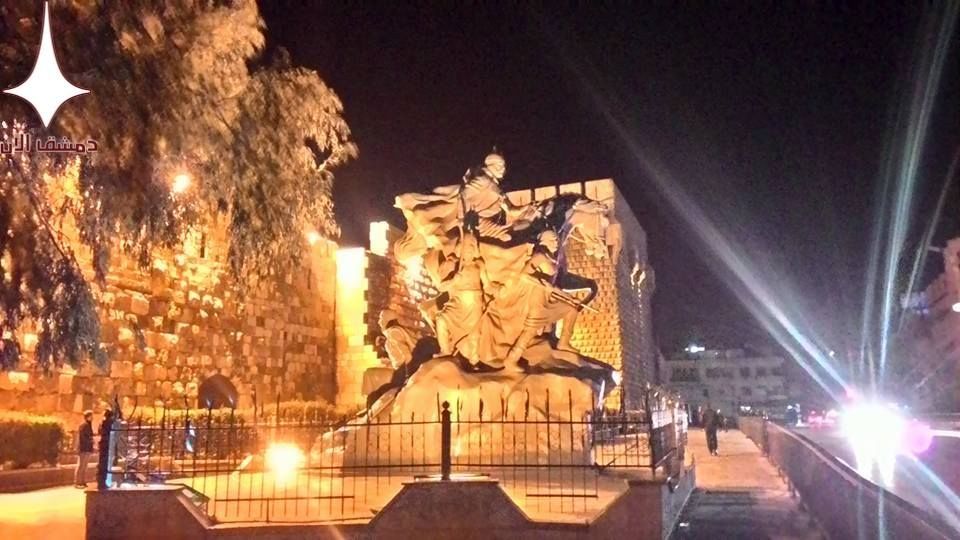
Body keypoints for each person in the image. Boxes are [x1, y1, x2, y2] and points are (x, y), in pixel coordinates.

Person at [74, 410, 94, 488]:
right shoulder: (84, 425)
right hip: (83, 448)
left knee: (85, 466)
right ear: (87, 417)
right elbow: (83, 437)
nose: (92, 417)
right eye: (91, 416)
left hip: (87, 448)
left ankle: (82, 481)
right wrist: (90, 440)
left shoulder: (88, 425)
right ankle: (77, 482)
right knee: (81, 465)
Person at [96, 409, 114, 490]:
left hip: (103, 444)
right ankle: (102, 483)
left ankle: (101, 482)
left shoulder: (102, 422)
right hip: (106, 444)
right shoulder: (108, 422)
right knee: (104, 464)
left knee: (102, 464)